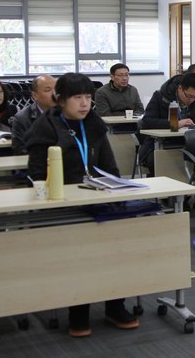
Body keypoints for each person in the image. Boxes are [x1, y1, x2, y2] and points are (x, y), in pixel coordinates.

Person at [25, 73, 140, 337]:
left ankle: (115, 306)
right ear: (60, 100)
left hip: (98, 200)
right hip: (64, 207)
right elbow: (37, 174)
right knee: (80, 255)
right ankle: (78, 312)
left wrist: (117, 192)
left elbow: (110, 167)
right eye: (77, 98)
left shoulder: (93, 125)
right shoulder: (45, 128)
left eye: (88, 97)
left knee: (118, 249)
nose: (85, 103)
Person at [140, 73, 195, 174]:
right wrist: (174, 124)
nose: (191, 100)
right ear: (180, 88)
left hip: (190, 144)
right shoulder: (160, 97)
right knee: (159, 161)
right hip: (160, 144)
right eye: (189, 96)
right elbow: (146, 122)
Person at [11, 74, 56, 154]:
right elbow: (20, 150)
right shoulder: (22, 118)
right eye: (48, 90)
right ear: (35, 96)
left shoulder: (66, 113)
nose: (54, 94)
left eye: (56, 90)